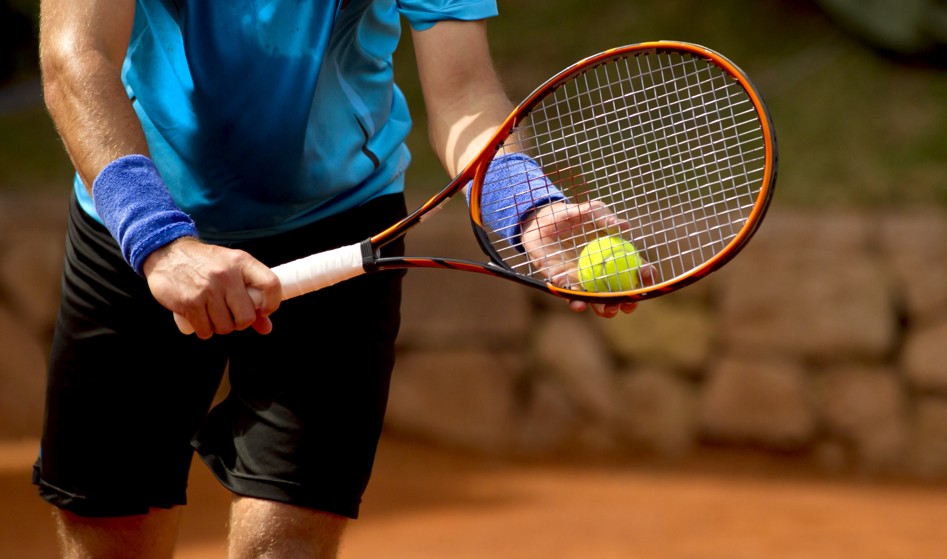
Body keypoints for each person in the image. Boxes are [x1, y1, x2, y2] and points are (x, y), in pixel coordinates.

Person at [33, 1, 639, 558]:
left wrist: (526, 205)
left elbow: (465, 95)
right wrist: (159, 240)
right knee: (108, 536)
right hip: (134, 218)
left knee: (287, 543)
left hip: (340, 222)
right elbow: (74, 54)